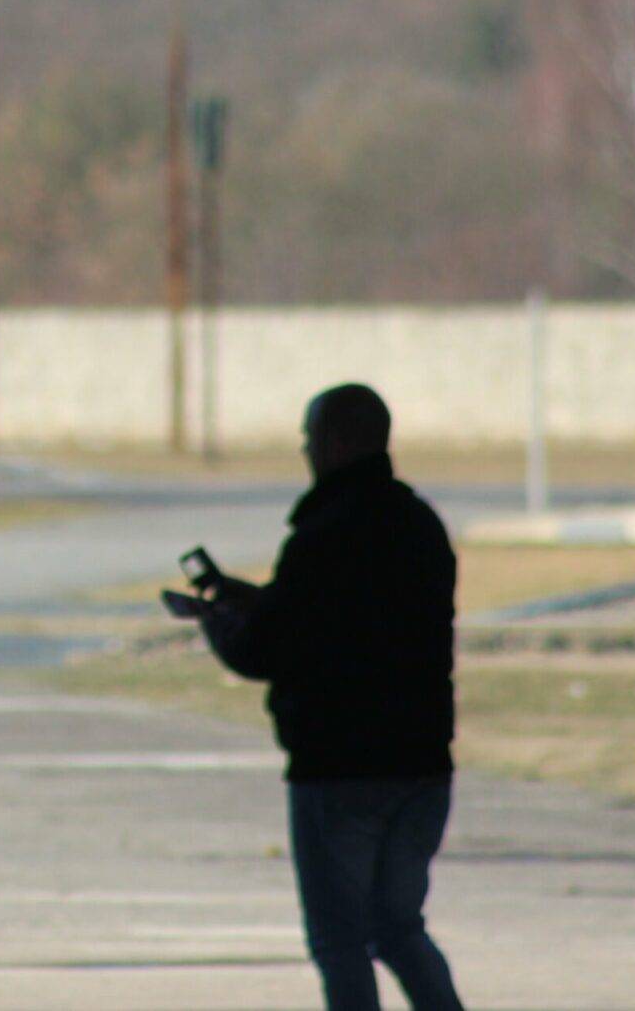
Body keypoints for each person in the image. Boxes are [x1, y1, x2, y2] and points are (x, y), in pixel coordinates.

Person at [192, 383, 464, 1011]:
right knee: (398, 929)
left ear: (338, 442)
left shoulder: (322, 535)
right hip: (421, 764)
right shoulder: (418, 524)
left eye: (311, 438)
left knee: (340, 942)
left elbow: (269, 649)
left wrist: (219, 621)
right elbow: (365, 621)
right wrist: (263, 600)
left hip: (338, 768)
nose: (306, 451)